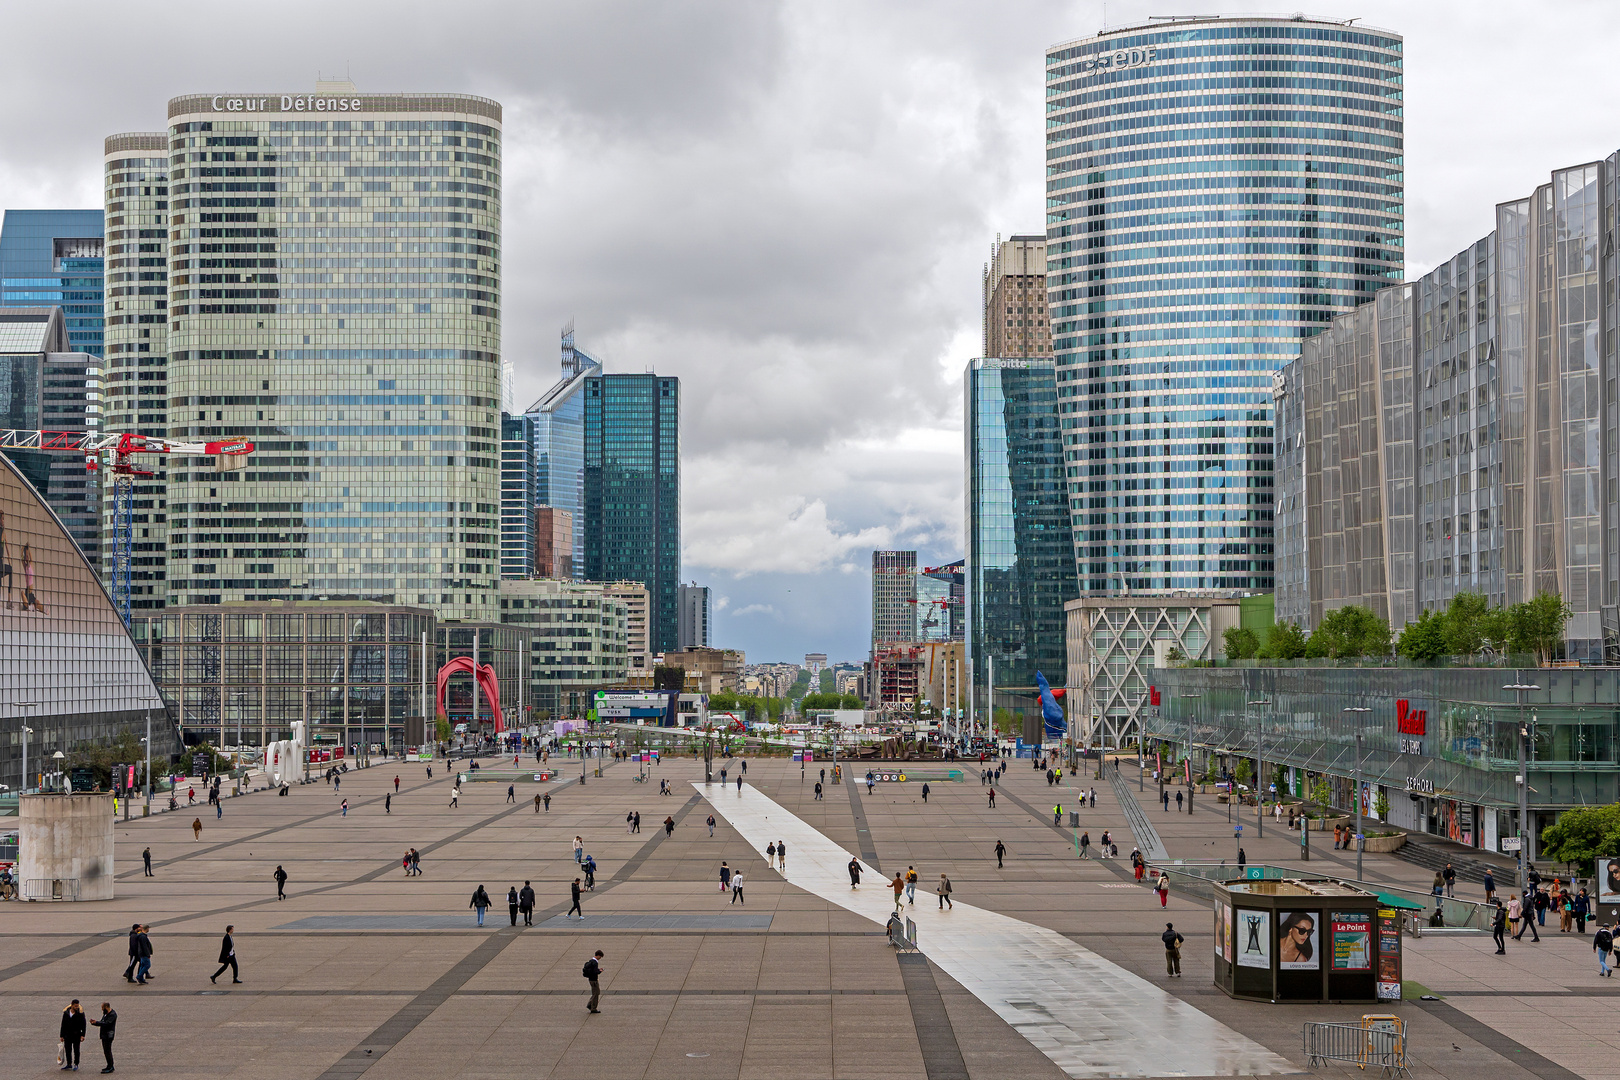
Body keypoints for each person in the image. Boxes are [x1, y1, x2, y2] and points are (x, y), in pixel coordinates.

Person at [89, 1002, 116, 1073]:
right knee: (106, 1051)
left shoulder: (112, 1014)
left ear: (106, 1007)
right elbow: (102, 1022)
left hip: (108, 1035)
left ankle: (111, 1066)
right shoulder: (106, 1014)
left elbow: (107, 1024)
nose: (102, 1010)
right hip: (104, 1035)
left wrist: (97, 1022)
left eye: (103, 1008)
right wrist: (95, 1023)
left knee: (108, 1051)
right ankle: (109, 1065)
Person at [61, 998, 86, 1071]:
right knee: (68, 1050)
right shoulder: (66, 1013)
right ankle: (69, 1064)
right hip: (67, 1034)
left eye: (77, 1006)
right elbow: (63, 1024)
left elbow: (83, 1025)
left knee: (76, 1050)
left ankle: (76, 1063)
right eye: (75, 1006)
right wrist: (62, 1035)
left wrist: (82, 1035)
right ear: (71, 1005)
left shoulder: (80, 1014)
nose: (76, 1007)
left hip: (76, 1034)